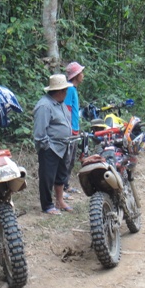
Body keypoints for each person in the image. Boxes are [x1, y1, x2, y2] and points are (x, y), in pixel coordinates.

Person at [33, 74, 74, 215]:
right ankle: (47, 205)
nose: (66, 93)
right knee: (47, 177)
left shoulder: (60, 104)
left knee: (61, 175)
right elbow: (39, 132)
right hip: (51, 147)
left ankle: (60, 201)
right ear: (59, 91)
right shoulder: (44, 106)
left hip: (63, 145)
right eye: (65, 90)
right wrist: (47, 146)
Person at [63, 62, 85, 197]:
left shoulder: (73, 89)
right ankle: (61, 188)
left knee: (71, 160)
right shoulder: (70, 90)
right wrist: (70, 128)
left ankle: (66, 185)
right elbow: (67, 110)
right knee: (66, 160)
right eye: (81, 73)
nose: (83, 75)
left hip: (74, 130)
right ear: (76, 75)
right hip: (70, 131)